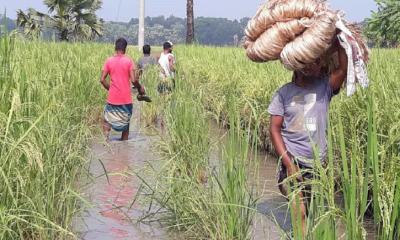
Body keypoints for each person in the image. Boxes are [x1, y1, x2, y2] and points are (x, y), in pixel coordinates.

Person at [268, 38, 347, 236]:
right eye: (310, 61)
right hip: (292, 158)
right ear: (299, 64)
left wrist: (339, 41)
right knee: (300, 213)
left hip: (318, 163)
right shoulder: (283, 94)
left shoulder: (325, 87)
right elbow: (274, 130)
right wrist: (288, 163)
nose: (316, 65)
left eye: (318, 61)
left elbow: (343, 70)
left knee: (313, 211)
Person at [100, 38, 145, 141]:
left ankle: (105, 142)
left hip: (112, 98)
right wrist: (140, 88)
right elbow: (133, 80)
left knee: (107, 120)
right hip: (126, 99)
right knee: (126, 123)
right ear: (125, 48)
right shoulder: (129, 61)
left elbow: (102, 80)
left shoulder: (109, 60)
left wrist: (110, 89)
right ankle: (124, 146)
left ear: (115, 47)